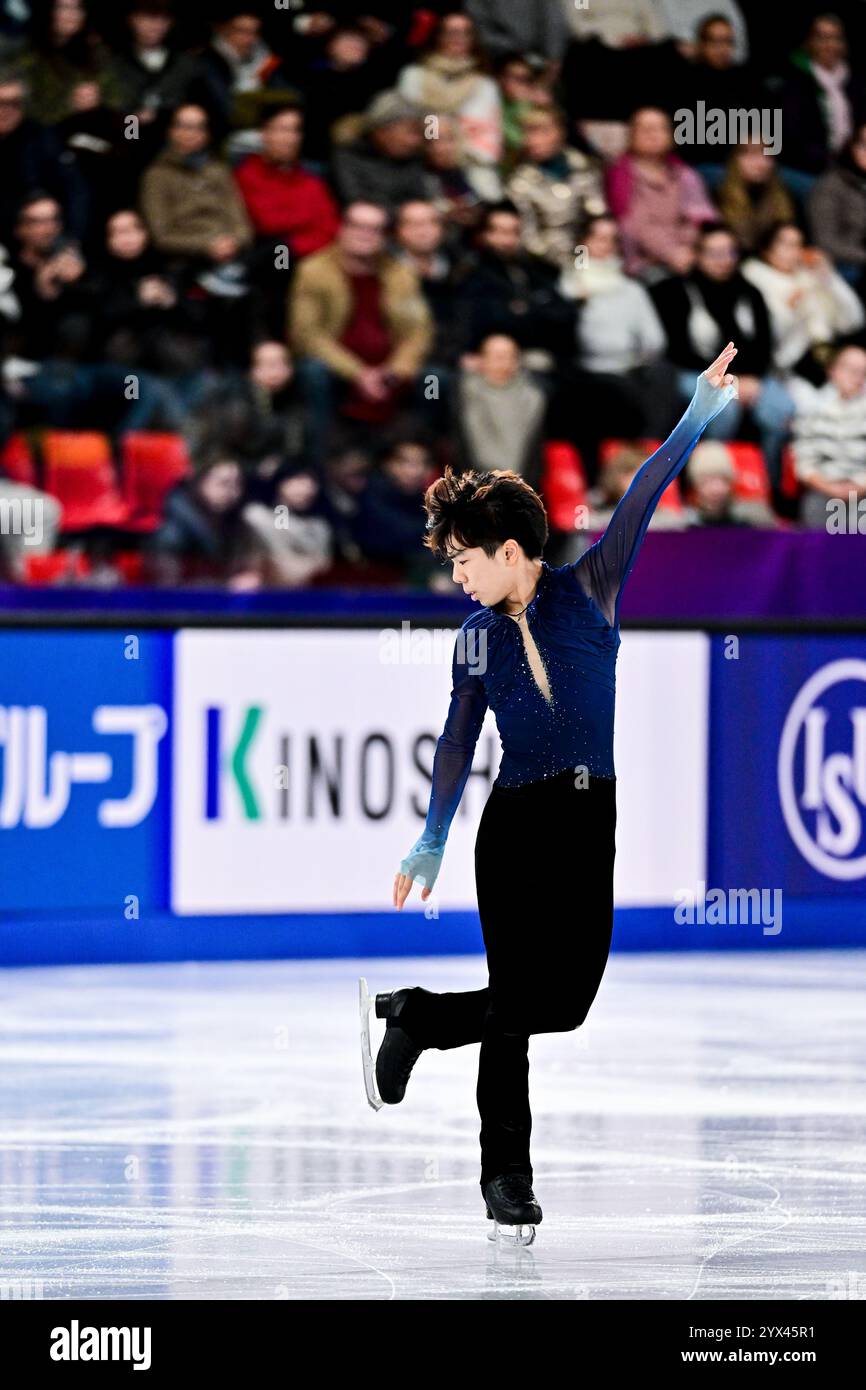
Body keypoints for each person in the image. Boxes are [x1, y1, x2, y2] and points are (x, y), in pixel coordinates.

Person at [371, 343, 739, 1238]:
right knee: (514, 1010)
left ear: (510, 551)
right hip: (518, 824)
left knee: (562, 1005)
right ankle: (507, 1178)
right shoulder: (472, 638)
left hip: (588, 821)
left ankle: (416, 1018)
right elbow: (458, 744)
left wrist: (693, 416)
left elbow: (644, 493)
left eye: (464, 562)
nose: (456, 578)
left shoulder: (593, 588)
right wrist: (430, 837)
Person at [288, 200, 433, 460]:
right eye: (357, 226)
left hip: (390, 371)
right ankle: (317, 464)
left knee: (435, 381)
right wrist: (358, 374)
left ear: (385, 236)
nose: (365, 235)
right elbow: (306, 334)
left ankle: (417, 470)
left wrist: (395, 371)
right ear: (342, 228)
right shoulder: (314, 271)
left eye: (374, 229)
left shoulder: (401, 274)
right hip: (339, 370)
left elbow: (418, 331)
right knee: (313, 372)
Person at [604, 106, 716, 281]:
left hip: (689, 254)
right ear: (631, 135)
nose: (652, 135)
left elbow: (699, 215)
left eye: (660, 128)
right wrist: (671, 253)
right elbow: (635, 224)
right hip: (641, 262)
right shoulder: (620, 175)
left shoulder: (686, 174)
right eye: (645, 129)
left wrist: (687, 248)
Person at [505, 105, 606, 268]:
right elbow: (529, 239)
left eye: (543, 132)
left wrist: (581, 264)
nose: (533, 140)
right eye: (529, 132)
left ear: (561, 132)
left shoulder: (584, 168)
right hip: (544, 265)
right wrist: (565, 266)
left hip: (585, 255)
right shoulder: (519, 183)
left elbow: (596, 214)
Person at [789, 343, 866, 528]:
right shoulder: (811, 410)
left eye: (863, 371)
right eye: (851, 370)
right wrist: (831, 488)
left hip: (863, 491)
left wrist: (857, 487)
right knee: (816, 511)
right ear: (833, 370)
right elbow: (802, 461)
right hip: (823, 491)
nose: (857, 377)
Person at [455, 333, 546, 485]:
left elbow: (535, 455)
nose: (505, 363)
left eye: (510, 356)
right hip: (471, 486)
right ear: (481, 360)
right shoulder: (461, 392)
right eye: (497, 357)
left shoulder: (533, 397)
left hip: (520, 486)